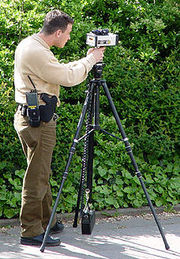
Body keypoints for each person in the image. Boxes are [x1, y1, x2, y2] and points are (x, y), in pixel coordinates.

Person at [14, 9, 105, 247]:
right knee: (37, 176)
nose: (68, 38)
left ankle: (48, 220)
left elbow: (57, 69)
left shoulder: (33, 45)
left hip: (31, 118)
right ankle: (31, 231)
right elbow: (68, 77)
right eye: (68, 34)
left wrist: (85, 60)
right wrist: (91, 60)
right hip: (39, 123)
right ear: (57, 32)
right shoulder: (37, 52)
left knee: (40, 172)